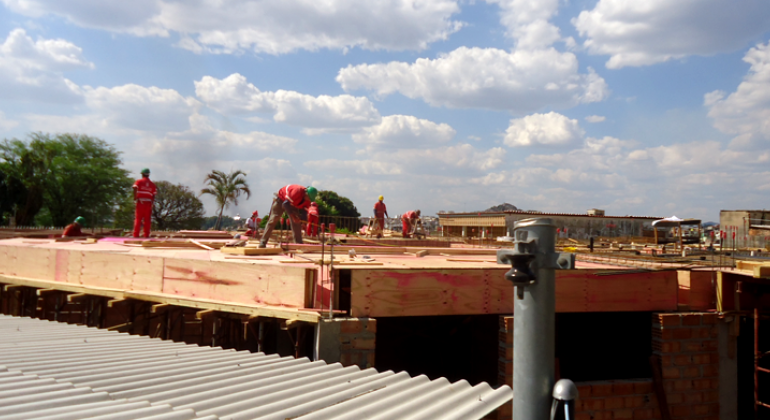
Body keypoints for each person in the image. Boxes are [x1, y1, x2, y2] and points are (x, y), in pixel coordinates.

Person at [132, 168, 156, 238]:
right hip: (148, 203)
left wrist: (135, 198)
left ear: (142, 174)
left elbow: (135, 188)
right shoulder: (152, 184)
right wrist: (152, 203)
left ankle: (136, 235)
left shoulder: (139, 182)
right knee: (147, 219)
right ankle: (146, 234)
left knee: (138, 219)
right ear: (148, 175)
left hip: (140, 202)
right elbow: (154, 194)